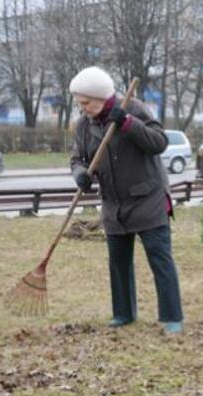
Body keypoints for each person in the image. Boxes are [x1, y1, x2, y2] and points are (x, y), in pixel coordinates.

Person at [69, 66, 184, 334]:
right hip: (114, 204)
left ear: (99, 97)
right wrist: (80, 175)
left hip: (148, 199)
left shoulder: (133, 108)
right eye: (79, 104)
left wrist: (128, 124)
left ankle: (171, 317)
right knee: (118, 262)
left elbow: (159, 142)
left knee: (160, 260)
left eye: (85, 103)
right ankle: (123, 313)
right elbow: (77, 159)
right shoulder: (85, 125)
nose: (83, 108)